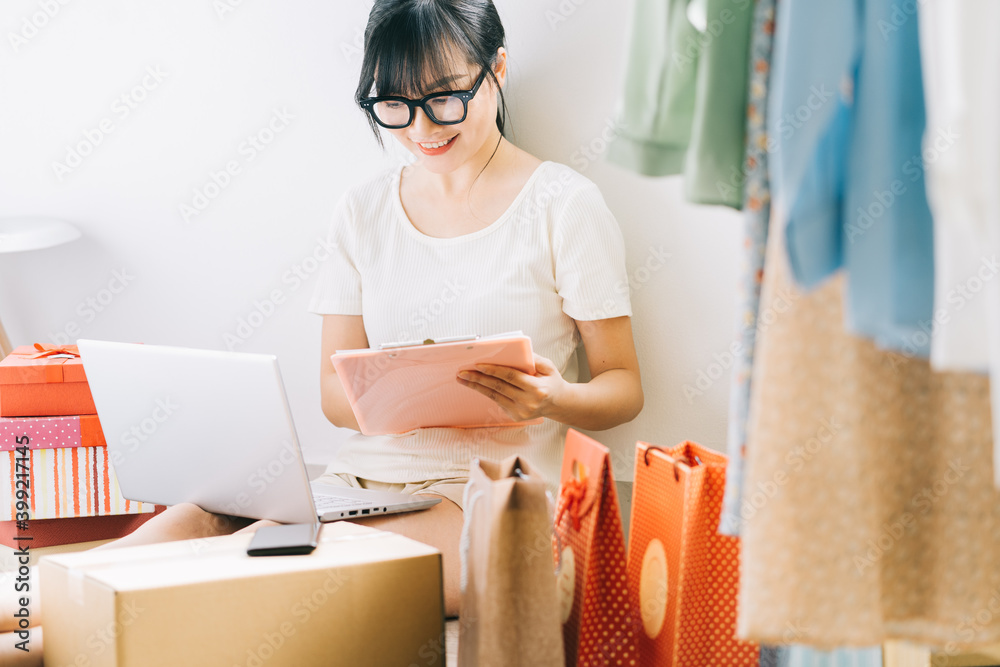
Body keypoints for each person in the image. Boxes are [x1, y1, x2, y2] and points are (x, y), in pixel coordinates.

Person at [0, 0, 642, 660]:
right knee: (194, 519)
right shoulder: (363, 211)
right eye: (393, 104)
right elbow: (336, 399)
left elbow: (623, 387)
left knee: (249, 563)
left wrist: (552, 398)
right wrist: (403, 389)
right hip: (362, 483)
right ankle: (24, 616)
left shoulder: (563, 205)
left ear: (496, 71)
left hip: (489, 502)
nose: (421, 127)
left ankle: (31, 644)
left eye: (446, 99)